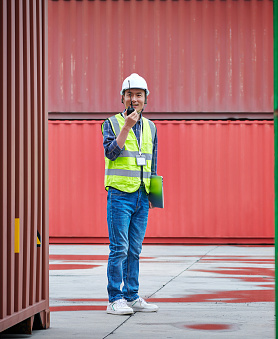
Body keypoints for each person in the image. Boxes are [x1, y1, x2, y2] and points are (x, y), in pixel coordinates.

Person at [101, 73, 159, 315]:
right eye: (129, 95)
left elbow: (153, 163)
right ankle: (115, 298)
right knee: (119, 249)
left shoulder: (152, 127)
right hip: (119, 195)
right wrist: (126, 126)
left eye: (139, 95)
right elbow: (112, 153)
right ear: (122, 98)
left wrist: (153, 195)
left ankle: (132, 296)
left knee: (135, 249)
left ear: (146, 99)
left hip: (141, 197)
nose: (134, 99)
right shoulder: (111, 123)